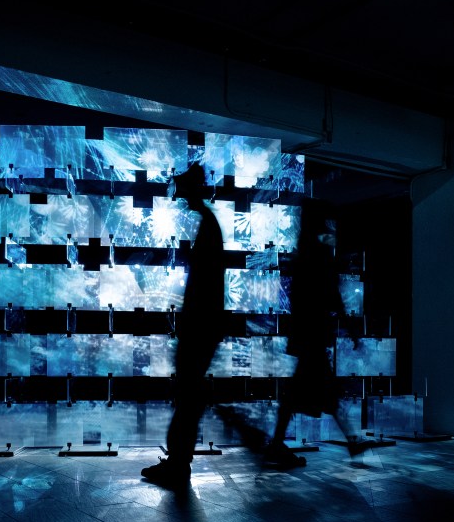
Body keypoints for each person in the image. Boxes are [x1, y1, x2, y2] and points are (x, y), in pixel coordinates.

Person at [141, 163, 239, 488]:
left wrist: (191, 323)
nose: (179, 197)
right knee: (188, 394)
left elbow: (204, 283)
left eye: (182, 191)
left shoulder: (207, 226)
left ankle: (178, 464)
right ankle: (178, 461)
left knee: (187, 394)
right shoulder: (209, 224)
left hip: (200, 325)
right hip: (202, 325)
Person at [264, 196, 367, 468]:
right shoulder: (319, 254)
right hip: (313, 336)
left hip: (307, 335)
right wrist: (349, 329)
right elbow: (332, 295)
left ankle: (280, 444)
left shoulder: (305, 252)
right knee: (320, 392)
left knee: (311, 392)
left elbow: (308, 297)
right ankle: (351, 441)